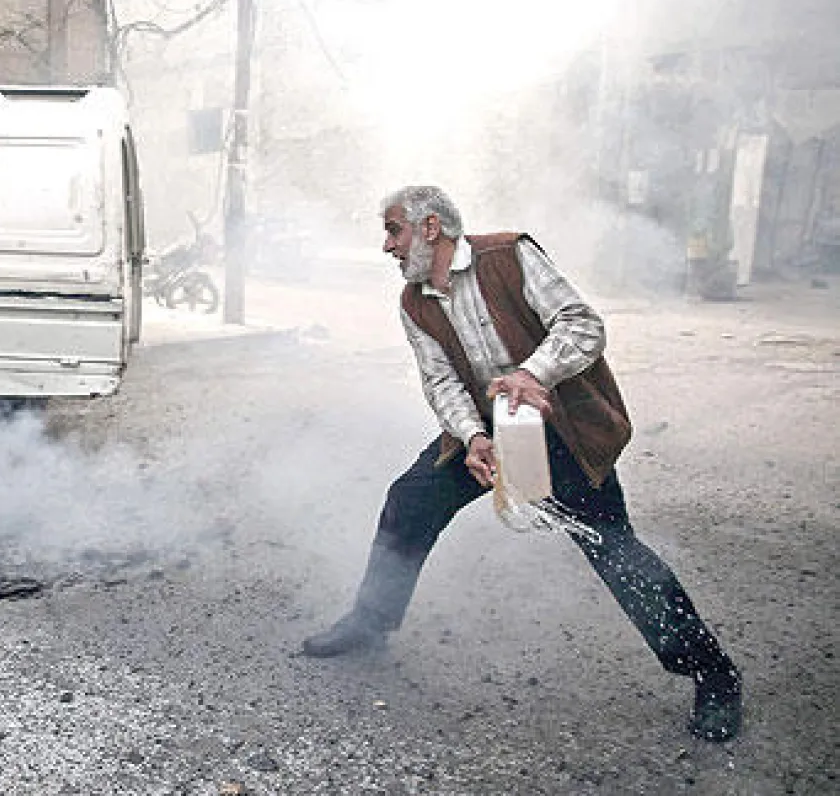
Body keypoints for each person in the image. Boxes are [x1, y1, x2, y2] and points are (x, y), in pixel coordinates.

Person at [301, 185, 743, 742]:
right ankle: (371, 622)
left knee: (612, 547)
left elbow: (582, 324)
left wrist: (533, 375)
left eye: (394, 230)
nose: (387, 245)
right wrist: (473, 438)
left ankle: (714, 676)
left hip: (560, 426)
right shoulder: (414, 300)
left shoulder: (508, 255)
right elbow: (440, 380)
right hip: (486, 426)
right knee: (410, 500)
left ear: (430, 227)